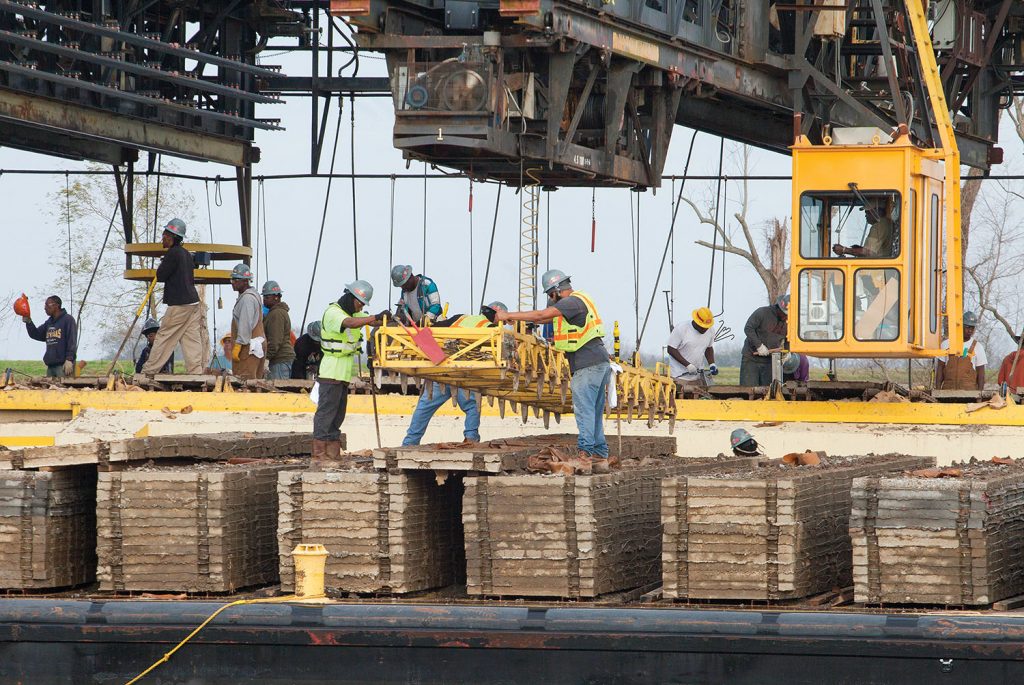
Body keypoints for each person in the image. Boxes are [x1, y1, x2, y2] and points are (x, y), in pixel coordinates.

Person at [495, 269, 612, 474]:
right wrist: (519, 319)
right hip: (597, 362)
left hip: (587, 365)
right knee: (592, 412)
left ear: (557, 290)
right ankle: (600, 457)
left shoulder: (571, 302)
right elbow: (542, 319)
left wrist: (507, 314)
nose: (551, 300)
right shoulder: (577, 303)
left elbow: (542, 314)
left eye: (550, 295)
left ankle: (584, 457)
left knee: (584, 411)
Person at [402, 301, 507, 446]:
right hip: (463, 375)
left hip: (441, 370)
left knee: (424, 408)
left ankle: (409, 444)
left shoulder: (461, 318)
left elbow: (434, 329)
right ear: (498, 313)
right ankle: (471, 439)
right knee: (472, 406)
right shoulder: (492, 328)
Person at [312, 280, 388, 468]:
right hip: (331, 371)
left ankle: (333, 453)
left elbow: (369, 319)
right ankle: (319, 455)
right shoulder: (334, 313)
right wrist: (373, 318)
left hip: (343, 374)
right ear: (350, 297)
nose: (361, 307)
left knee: (338, 415)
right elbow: (351, 323)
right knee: (326, 413)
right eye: (360, 302)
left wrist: (386, 318)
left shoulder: (355, 313)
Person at [142, 218, 204, 376]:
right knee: (191, 338)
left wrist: (163, 263)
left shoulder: (173, 254)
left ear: (172, 237)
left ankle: (149, 371)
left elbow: (161, 275)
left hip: (180, 304)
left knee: (164, 336)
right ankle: (195, 372)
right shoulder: (186, 254)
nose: (162, 238)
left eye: (164, 235)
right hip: (193, 302)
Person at [22, 295, 77, 377]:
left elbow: (72, 341)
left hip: (63, 366)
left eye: (47, 305)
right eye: (45, 305)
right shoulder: (48, 322)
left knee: (62, 389)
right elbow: (36, 334)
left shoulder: (68, 320)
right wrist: (28, 321)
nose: (45, 308)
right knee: (50, 389)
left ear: (56, 305)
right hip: (50, 367)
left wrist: (69, 359)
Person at [740, 295, 789, 387]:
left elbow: (789, 339)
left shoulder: (788, 322)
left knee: (768, 391)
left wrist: (787, 352)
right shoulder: (762, 312)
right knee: (748, 390)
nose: (786, 317)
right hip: (751, 358)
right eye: (785, 314)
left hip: (770, 361)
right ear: (779, 308)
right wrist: (759, 346)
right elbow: (748, 328)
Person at [228, 263, 266, 380]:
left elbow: (245, 324)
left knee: (244, 382)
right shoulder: (252, 296)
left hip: (248, 347)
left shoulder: (247, 299)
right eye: (232, 279)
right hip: (256, 345)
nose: (233, 282)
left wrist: (238, 346)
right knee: (255, 382)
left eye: (236, 279)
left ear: (246, 281)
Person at [667, 306, 717, 387]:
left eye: (707, 327)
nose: (705, 330)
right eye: (703, 327)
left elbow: (709, 347)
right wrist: (688, 365)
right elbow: (671, 349)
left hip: (697, 377)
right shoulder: (682, 329)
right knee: (681, 397)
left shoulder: (710, 330)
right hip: (679, 376)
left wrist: (712, 364)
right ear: (696, 322)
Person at [936, 311, 987, 390]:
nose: (970, 330)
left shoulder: (978, 347)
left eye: (972, 328)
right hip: (947, 393)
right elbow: (940, 369)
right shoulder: (946, 344)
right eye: (967, 327)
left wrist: (979, 396)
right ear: (960, 326)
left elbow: (981, 375)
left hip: (969, 394)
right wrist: (938, 392)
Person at [261, 280, 295, 380]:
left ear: (276, 297)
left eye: (267, 297)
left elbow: (275, 340)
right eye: (264, 297)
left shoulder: (276, 314)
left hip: (280, 361)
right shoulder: (276, 313)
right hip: (280, 360)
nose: (264, 300)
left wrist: (267, 358)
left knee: (278, 393)